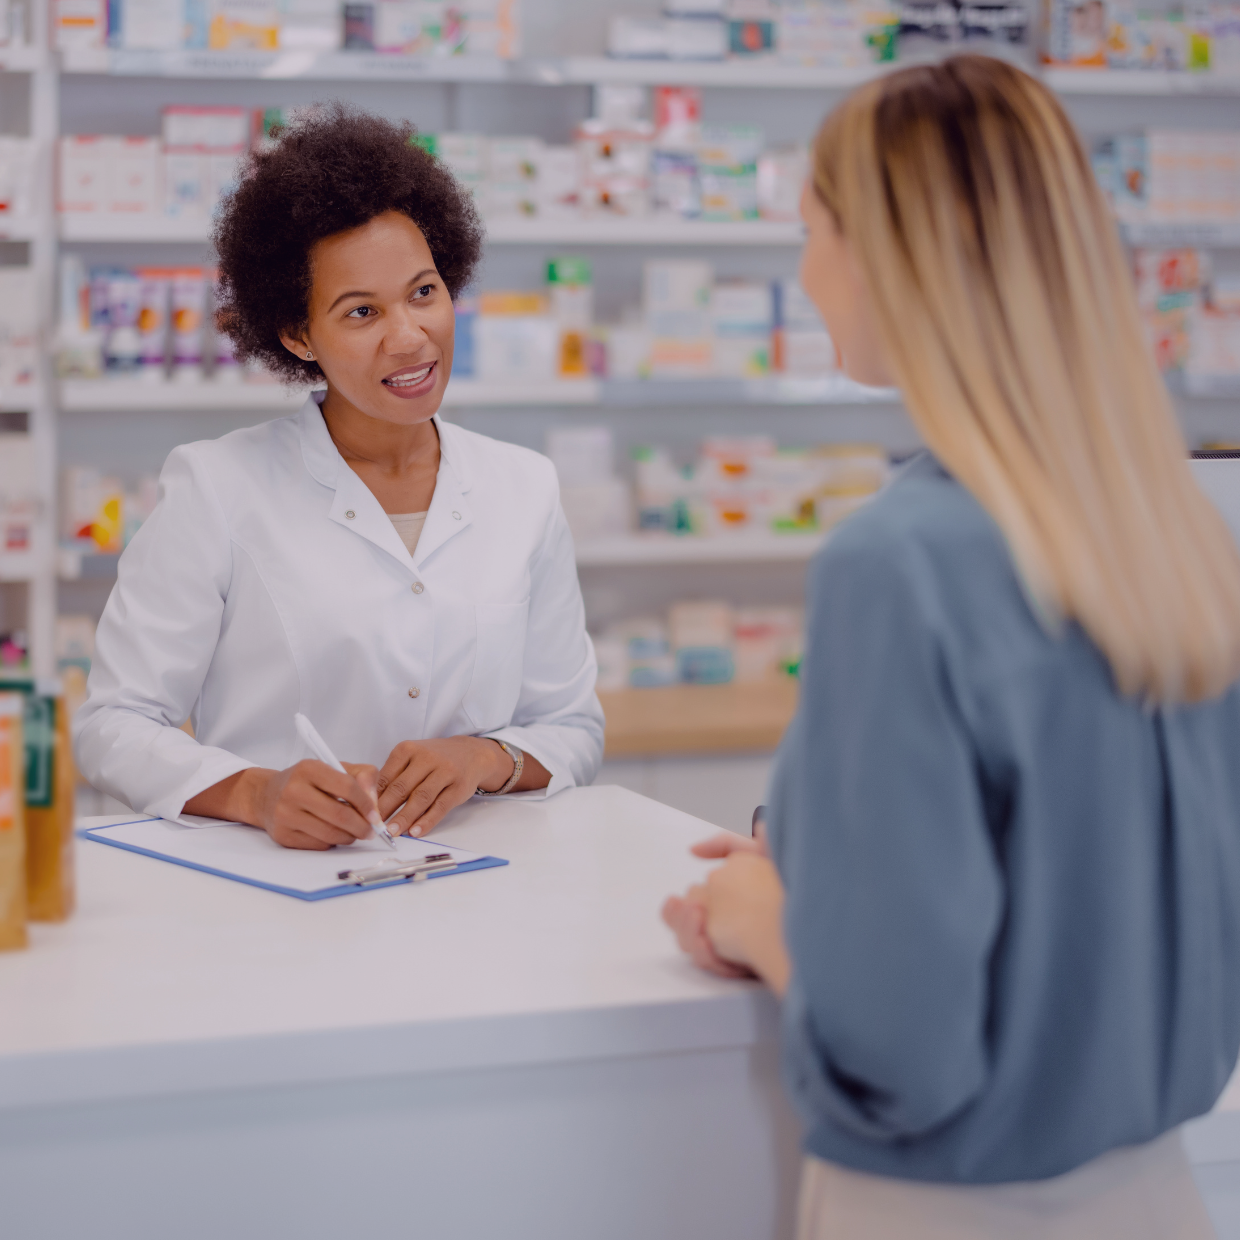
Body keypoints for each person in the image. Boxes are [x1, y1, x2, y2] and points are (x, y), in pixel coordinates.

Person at [663, 55, 1240, 1237]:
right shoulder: (1170, 534)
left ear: (884, 252)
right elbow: (1088, 842)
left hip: (950, 1207)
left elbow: (898, 1045)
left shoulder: (899, 563)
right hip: (1156, 1195)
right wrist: (824, 847)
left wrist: (755, 914)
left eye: (813, 228)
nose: (807, 272)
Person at [75, 106, 604, 850]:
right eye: (361, 311)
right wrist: (256, 793)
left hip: (482, 890)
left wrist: (484, 759)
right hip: (285, 894)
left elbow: (573, 726)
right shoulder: (219, 487)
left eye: (424, 292)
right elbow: (111, 725)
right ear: (298, 336)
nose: (409, 336)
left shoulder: (524, 487)